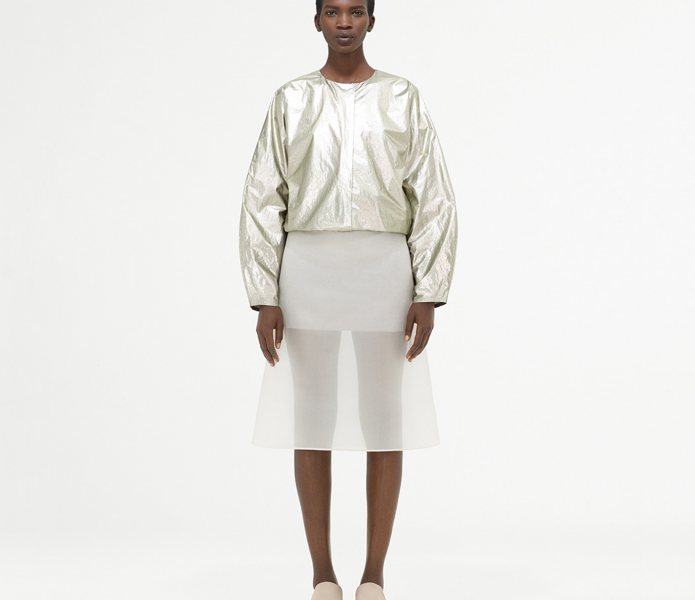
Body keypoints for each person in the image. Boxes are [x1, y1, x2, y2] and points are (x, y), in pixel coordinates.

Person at [238, 1, 458, 598]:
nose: (343, 23)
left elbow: (433, 194)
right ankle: (322, 576)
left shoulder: (402, 97)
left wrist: (429, 290)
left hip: (384, 269)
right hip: (307, 269)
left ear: (371, 21)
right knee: (312, 417)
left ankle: (373, 576)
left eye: (355, 12)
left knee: (384, 418)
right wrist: (264, 294)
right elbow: (262, 195)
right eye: (331, 11)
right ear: (315, 20)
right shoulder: (290, 100)